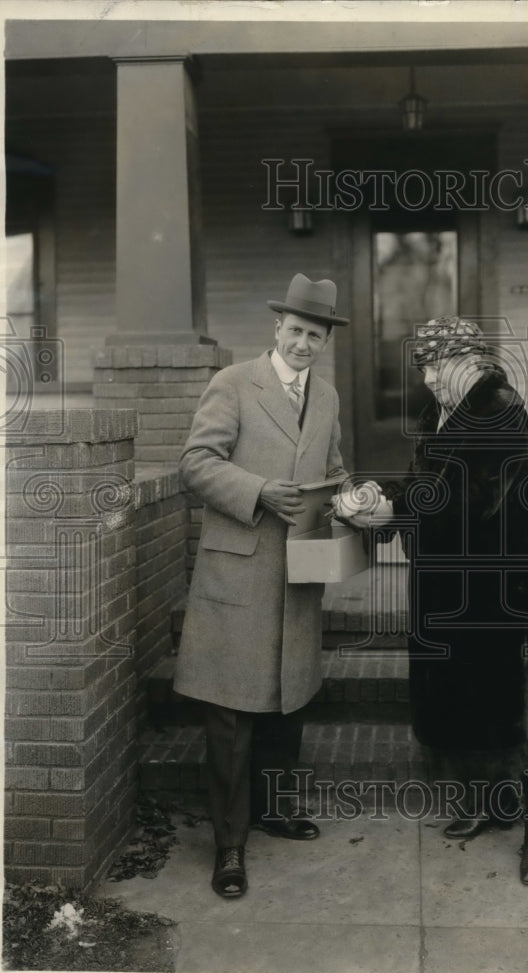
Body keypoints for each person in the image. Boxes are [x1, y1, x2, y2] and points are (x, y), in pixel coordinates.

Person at [343, 317, 528, 886]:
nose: (429, 378)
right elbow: (426, 481)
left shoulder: (500, 410)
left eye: (438, 365)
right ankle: (487, 806)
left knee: (524, 708)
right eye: (423, 366)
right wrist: (381, 495)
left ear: (471, 361)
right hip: (455, 589)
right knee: (472, 695)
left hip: (507, 589)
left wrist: (395, 513)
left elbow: (472, 500)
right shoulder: (440, 414)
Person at [173, 273, 349, 899]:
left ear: (325, 341)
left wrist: (350, 497)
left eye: (315, 335)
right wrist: (256, 491)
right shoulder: (232, 384)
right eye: (295, 331)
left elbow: (332, 467)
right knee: (231, 716)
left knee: (285, 703)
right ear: (276, 329)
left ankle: (272, 811)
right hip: (239, 569)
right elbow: (195, 462)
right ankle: (229, 846)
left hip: (298, 571)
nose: (303, 344)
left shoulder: (325, 396)